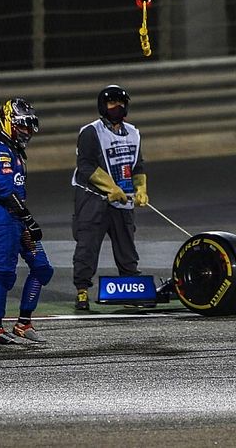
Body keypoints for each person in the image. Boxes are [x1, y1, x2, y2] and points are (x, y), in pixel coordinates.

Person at [71, 85, 148, 310]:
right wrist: (110, 187)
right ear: (103, 106)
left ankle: (131, 287)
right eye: (112, 103)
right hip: (92, 198)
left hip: (123, 199)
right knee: (87, 245)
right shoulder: (90, 132)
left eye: (121, 103)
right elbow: (85, 166)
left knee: (127, 245)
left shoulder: (134, 133)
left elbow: (138, 166)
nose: (118, 107)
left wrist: (141, 189)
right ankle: (82, 291)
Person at [0, 98, 53, 344]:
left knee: (43, 268)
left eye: (28, 126)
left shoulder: (14, 151)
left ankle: (24, 323)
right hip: (5, 218)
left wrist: (25, 218)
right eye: (21, 125)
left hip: (18, 217)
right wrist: (28, 218)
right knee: (5, 273)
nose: (26, 130)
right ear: (8, 123)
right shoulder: (0, 152)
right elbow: (4, 192)